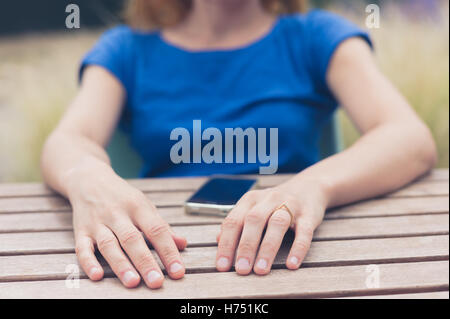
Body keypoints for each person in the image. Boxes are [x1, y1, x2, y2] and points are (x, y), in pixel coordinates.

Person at [41, 0, 437, 289]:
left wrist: (313, 185)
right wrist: (87, 178)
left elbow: (408, 137)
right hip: (163, 262)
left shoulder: (316, 34)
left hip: (288, 262)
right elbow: (70, 139)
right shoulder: (126, 48)